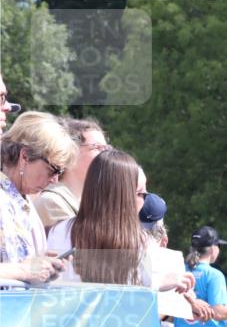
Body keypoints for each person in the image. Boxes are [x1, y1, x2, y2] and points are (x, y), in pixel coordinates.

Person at [46, 150, 190, 294]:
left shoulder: (58, 232)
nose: (145, 200)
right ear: (119, 197)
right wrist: (158, 283)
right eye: (140, 193)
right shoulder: (140, 243)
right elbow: (131, 301)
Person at [0, 111, 74, 284]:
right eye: (53, 169)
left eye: (60, 173)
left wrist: (41, 265)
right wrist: (24, 270)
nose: (55, 179)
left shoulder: (22, 202)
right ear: (25, 156)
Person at [34, 118, 109, 230]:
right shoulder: (51, 202)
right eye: (97, 147)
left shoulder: (95, 202)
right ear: (71, 152)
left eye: (106, 149)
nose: (106, 155)